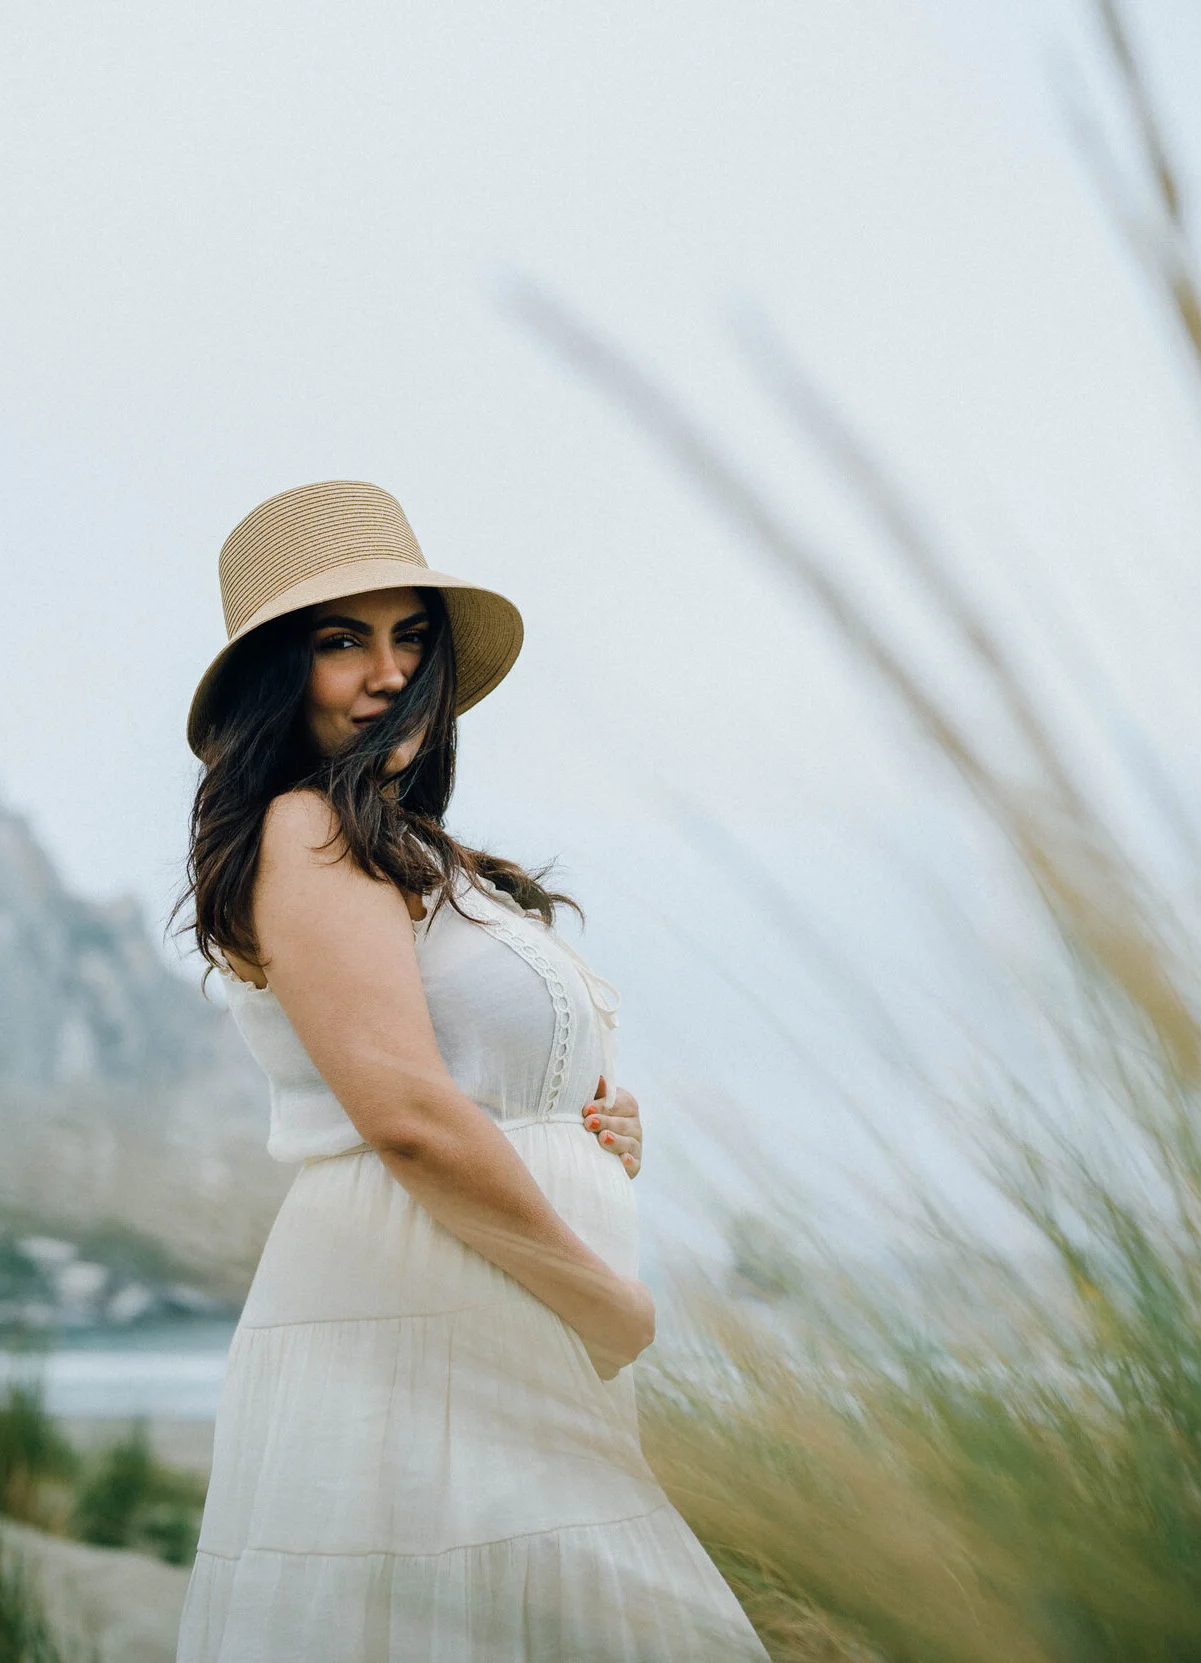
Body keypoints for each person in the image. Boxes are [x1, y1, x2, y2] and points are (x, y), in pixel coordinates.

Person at [173, 481, 765, 1659]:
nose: (389, 673)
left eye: (410, 636)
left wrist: (584, 1113)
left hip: (485, 1306)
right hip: (431, 1305)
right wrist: (605, 1297)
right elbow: (401, 1114)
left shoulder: (422, 853)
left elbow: (458, 1067)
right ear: (277, 677)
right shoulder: (306, 829)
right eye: (341, 642)